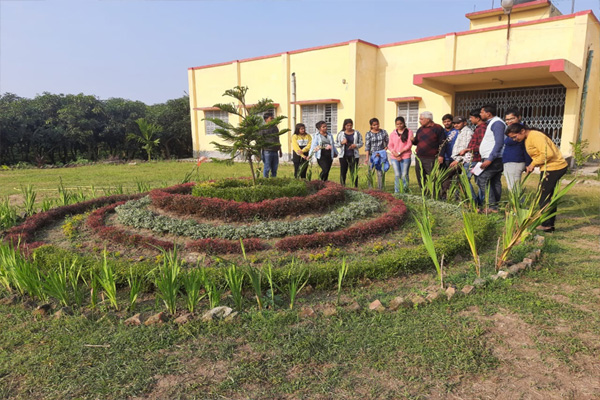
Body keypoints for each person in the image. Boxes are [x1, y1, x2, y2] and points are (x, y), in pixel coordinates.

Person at [505, 123, 568, 232]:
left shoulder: (535, 136)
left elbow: (548, 154)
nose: (515, 140)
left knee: (543, 196)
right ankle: (548, 224)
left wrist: (533, 164)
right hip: (548, 167)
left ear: (522, 131)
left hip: (554, 167)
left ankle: (547, 225)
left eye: (515, 136)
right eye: (512, 138)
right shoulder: (529, 137)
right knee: (546, 195)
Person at [477, 104, 506, 211]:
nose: (480, 114)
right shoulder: (493, 123)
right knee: (494, 181)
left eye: (482, 112)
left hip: (494, 158)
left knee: (482, 179)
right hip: (493, 157)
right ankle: (494, 206)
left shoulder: (497, 123)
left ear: (488, 113)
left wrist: (490, 159)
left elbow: (499, 142)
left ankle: (492, 206)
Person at [459, 109, 487, 204]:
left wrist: (467, 150)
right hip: (474, 158)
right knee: (479, 181)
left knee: (465, 179)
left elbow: (482, 146)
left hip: (476, 159)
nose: (470, 119)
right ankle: (478, 202)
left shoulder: (482, 129)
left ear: (478, 118)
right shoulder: (478, 128)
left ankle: (475, 201)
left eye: (471, 117)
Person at [412, 111, 445, 189]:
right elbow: (416, 142)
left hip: (431, 158)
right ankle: (424, 192)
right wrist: (413, 140)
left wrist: (441, 155)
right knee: (420, 176)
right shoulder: (420, 129)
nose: (420, 121)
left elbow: (443, 143)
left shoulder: (438, 128)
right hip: (419, 157)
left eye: (421, 119)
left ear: (428, 119)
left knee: (432, 177)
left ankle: (434, 193)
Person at [441, 116, 474, 196]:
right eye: (454, 123)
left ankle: (470, 199)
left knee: (460, 179)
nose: (456, 125)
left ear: (465, 123)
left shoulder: (467, 132)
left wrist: (457, 160)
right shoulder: (460, 132)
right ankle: (455, 196)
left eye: (458, 123)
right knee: (456, 179)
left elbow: (466, 148)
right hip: (458, 159)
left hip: (464, 160)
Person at [503, 107, 531, 190]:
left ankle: (519, 200)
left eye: (512, 118)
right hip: (509, 161)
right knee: (512, 187)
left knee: (514, 189)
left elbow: (526, 147)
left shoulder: (521, 130)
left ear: (519, 117)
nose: (509, 121)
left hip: (516, 161)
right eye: (507, 119)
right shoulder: (510, 130)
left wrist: (528, 164)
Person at [387, 116, 413, 193]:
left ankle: (405, 191)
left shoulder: (409, 132)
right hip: (394, 157)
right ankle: (397, 191)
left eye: (401, 123)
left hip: (405, 156)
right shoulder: (393, 134)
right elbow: (390, 145)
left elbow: (409, 144)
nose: (399, 125)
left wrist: (400, 153)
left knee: (404, 174)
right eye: (397, 124)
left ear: (404, 123)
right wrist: (394, 153)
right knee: (397, 174)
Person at [335, 119, 363, 187]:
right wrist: (342, 143)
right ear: (345, 126)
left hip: (354, 155)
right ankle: (342, 186)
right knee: (343, 172)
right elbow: (336, 144)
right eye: (348, 125)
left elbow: (361, 143)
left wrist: (355, 145)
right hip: (343, 156)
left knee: (354, 172)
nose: (349, 127)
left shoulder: (357, 133)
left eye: (351, 125)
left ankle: (354, 186)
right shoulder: (341, 134)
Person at [364, 117, 389, 190]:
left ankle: (380, 188)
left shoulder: (383, 132)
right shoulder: (368, 134)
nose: (376, 126)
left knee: (380, 172)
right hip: (372, 155)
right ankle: (370, 188)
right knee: (370, 172)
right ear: (371, 126)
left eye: (377, 124)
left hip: (381, 155)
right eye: (374, 125)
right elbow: (367, 146)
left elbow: (388, 142)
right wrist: (367, 158)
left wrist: (383, 150)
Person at [259, 112, 282, 178]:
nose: (273, 119)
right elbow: (259, 141)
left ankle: (273, 180)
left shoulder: (275, 128)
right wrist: (258, 153)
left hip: (275, 151)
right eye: (271, 118)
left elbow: (277, 139)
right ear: (266, 119)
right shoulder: (263, 129)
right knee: (267, 167)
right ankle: (265, 180)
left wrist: (280, 150)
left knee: (275, 168)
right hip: (267, 151)